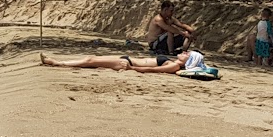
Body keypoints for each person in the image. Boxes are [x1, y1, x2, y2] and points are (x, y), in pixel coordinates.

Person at [39, 48, 194, 73]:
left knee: (90, 60)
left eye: (188, 54)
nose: (184, 52)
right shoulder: (173, 63)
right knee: (91, 60)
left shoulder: (174, 66)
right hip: (127, 61)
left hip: (127, 63)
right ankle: (59, 62)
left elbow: (153, 70)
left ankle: (58, 63)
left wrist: (132, 69)